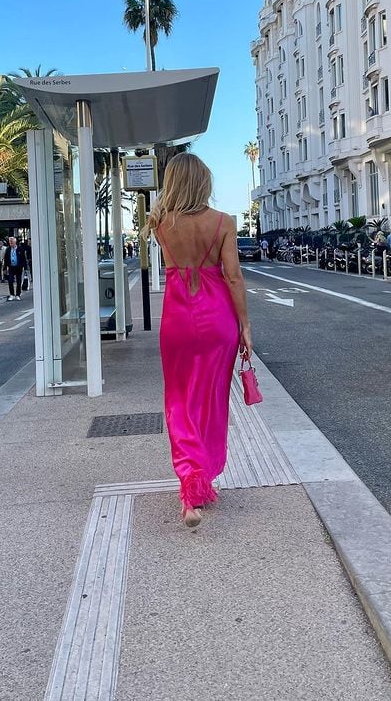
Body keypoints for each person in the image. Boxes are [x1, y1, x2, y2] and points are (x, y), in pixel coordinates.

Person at [146, 153, 251, 529]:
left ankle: (189, 482)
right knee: (211, 400)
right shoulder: (223, 222)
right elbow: (234, 277)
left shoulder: (158, 222)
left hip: (177, 321)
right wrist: (245, 327)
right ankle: (202, 474)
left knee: (179, 400)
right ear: (204, 182)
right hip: (217, 319)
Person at [3, 235, 27, 301]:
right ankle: (12, 294)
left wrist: (25, 268)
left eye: (11, 242)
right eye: (10, 242)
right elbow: (6, 259)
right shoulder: (8, 249)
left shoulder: (20, 249)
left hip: (18, 267)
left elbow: (23, 259)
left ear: (15, 242)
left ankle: (18, 294)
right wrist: (4, 268)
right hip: (11, 267)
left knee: (18, 281)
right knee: (10, 280)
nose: (10, 243)